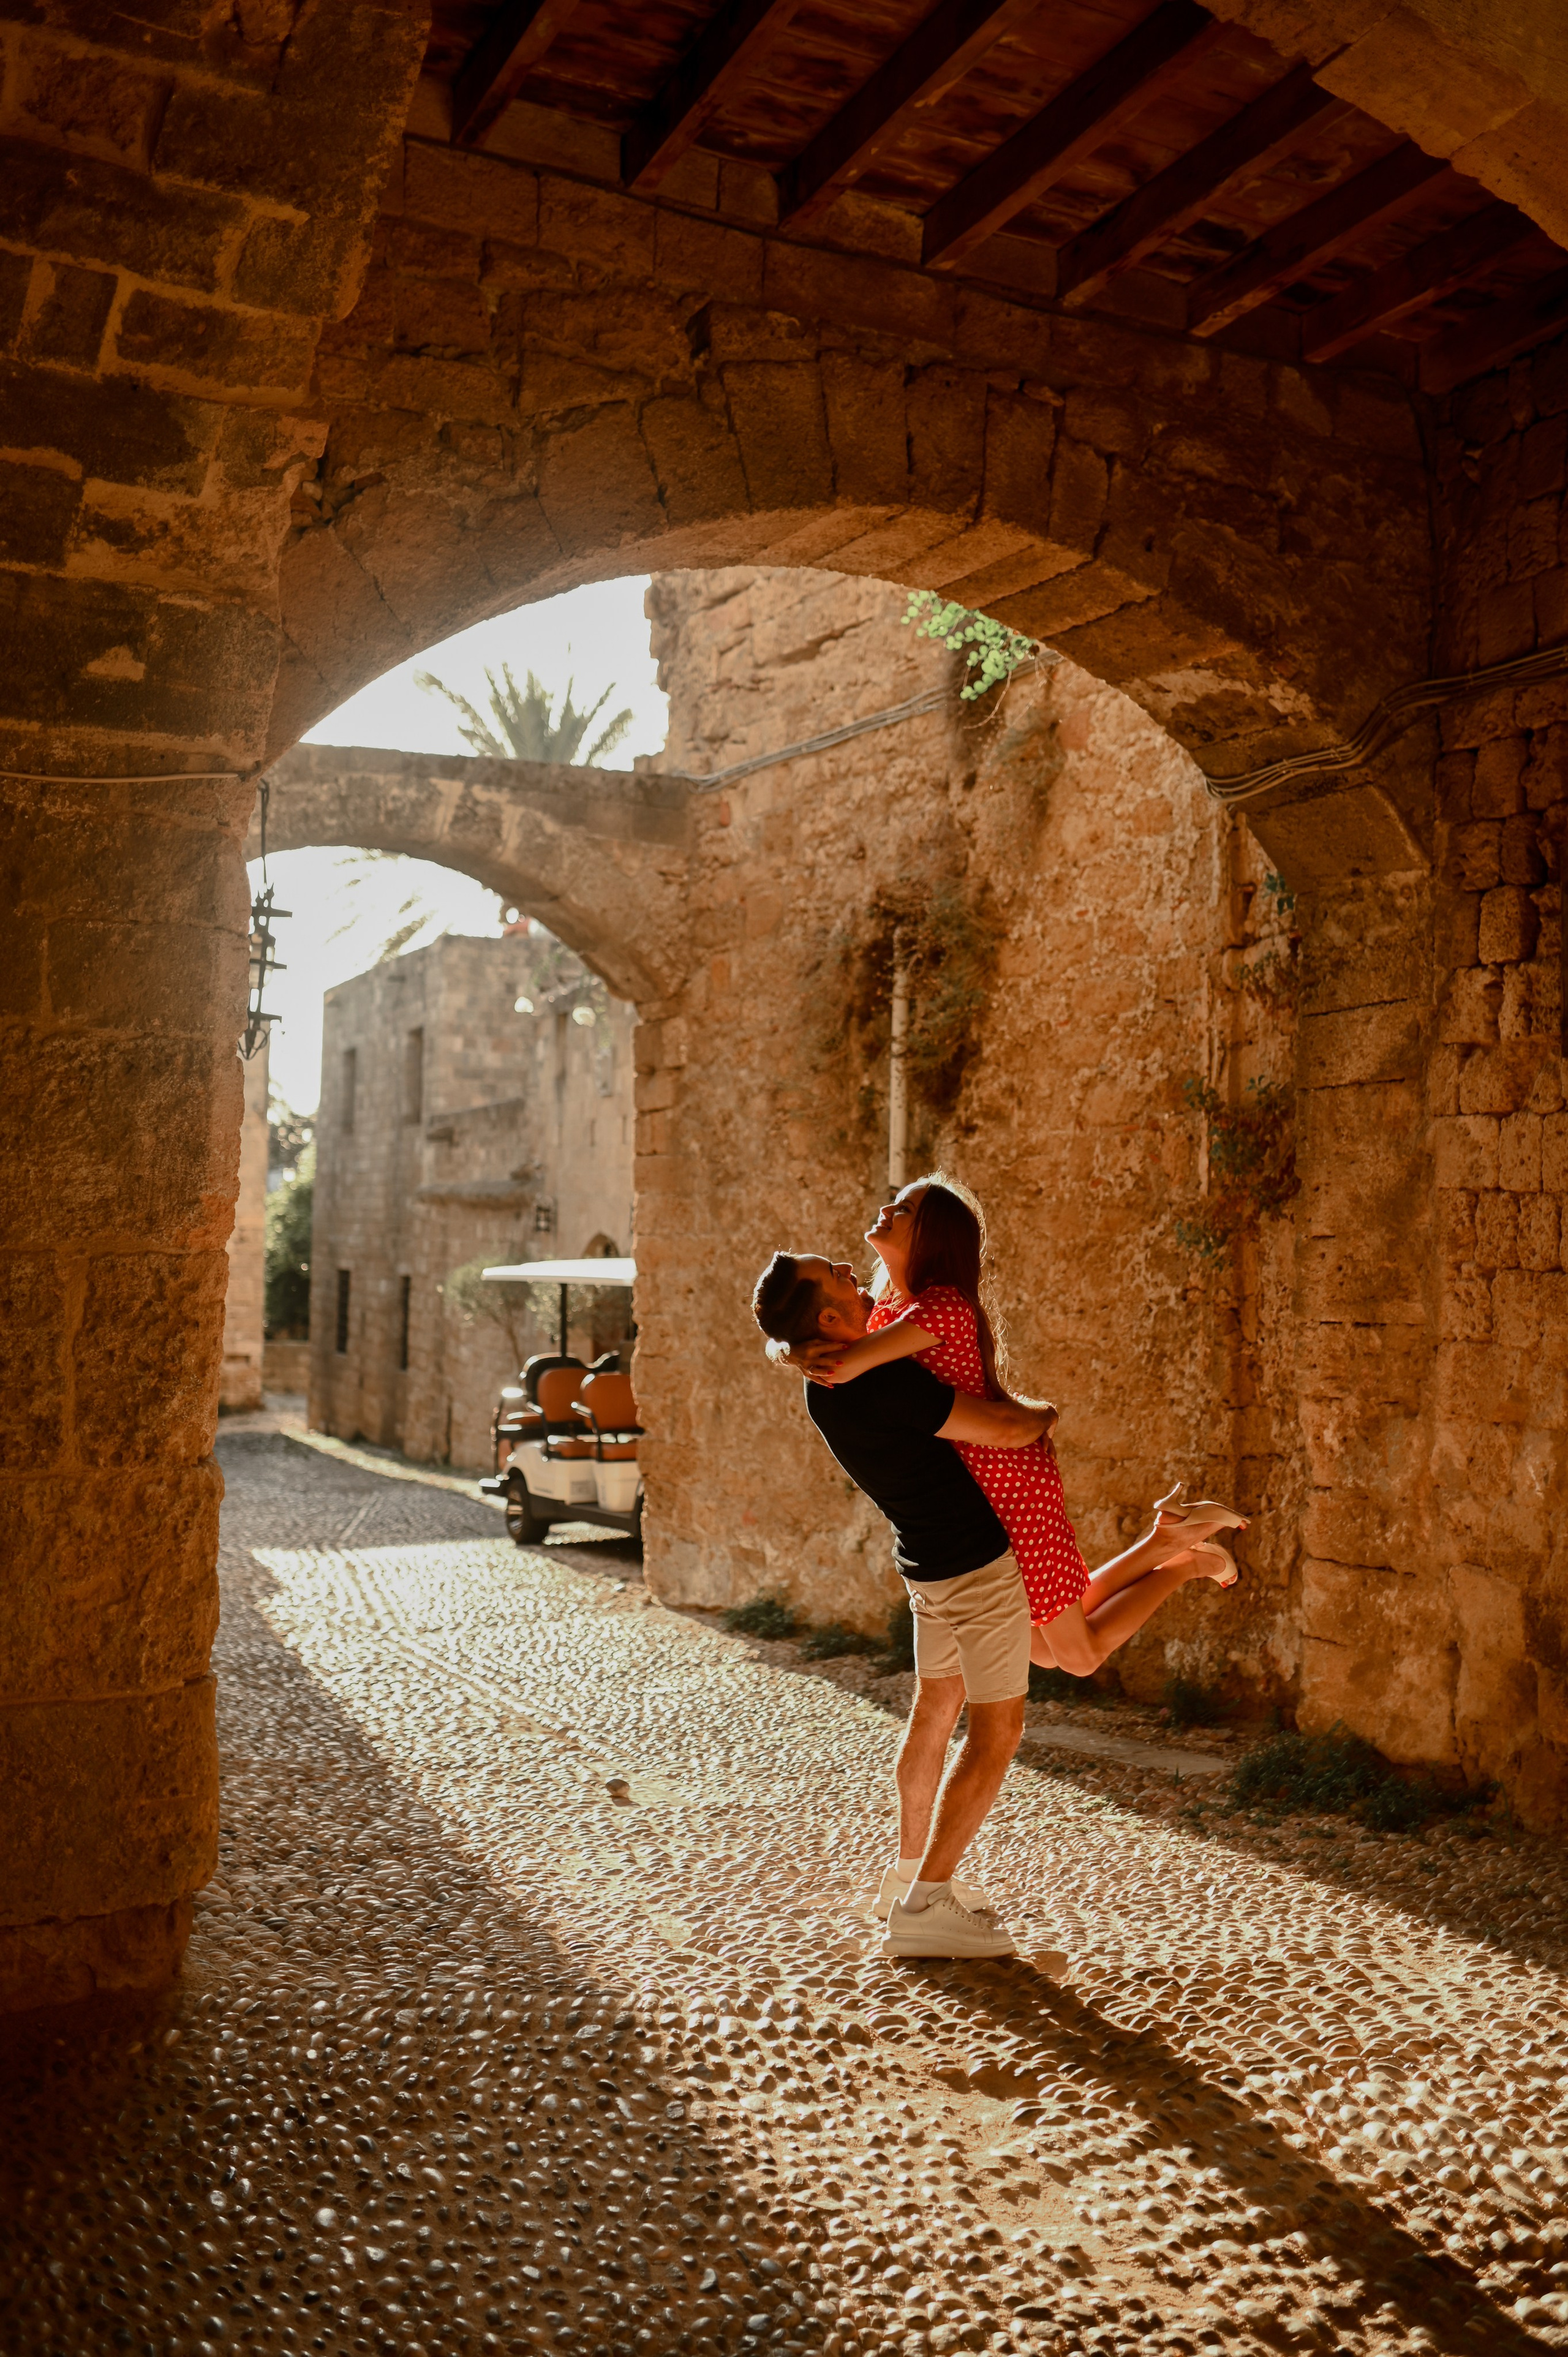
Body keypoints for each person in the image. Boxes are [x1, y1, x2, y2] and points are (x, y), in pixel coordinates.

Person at [752, 1245, 1240, 1963]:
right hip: (976, 1566)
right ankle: (926, 1903)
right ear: (828, 1316)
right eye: (844, 1280)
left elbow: (894, 1328)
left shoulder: (824, 1379)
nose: (860, 1280)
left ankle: (909, 1876)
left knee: (943, 1708)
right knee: (997, 1732)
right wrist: (1043, 1412)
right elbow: (1010, 1428)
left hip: (926, 1567)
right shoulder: (880, 1380)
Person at [792, 1175, 1245, 1676]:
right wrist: (784, 1347)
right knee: (1044, 1643)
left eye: (903, 1210)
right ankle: (1168, 1539)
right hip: (984, 1491)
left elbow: (847, 1362)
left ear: (929, 1237)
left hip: (1011, 1488)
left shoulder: (942, 1306)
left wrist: (793, 1349)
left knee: (1079, 1655)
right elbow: (835, 1332)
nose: (886, 1209)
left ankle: (1191, 1564)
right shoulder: (892, 1307)